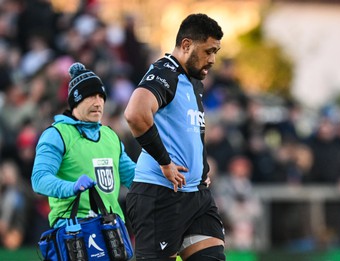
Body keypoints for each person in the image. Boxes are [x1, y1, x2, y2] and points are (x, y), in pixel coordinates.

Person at [124, 13, 225, 261]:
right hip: (160, 195)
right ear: (187, 44)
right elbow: (135, 114)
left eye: (216, 52)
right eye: (208, 51)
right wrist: (165, 162)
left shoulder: (193, 81)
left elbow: (187, 132)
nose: (212, 59)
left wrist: (200, 170)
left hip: (196, 195)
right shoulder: (164, 72)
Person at [31, 62, 136, 229]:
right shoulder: (56, 134)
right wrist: (71, 187)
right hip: (73, 229)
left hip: (112, 228)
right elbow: (39, 180)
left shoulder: (110, 135)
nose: (98, 102)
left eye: (101, 96)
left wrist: (164, 173)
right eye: (91, 96)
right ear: (76, 100)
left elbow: (134, 178)